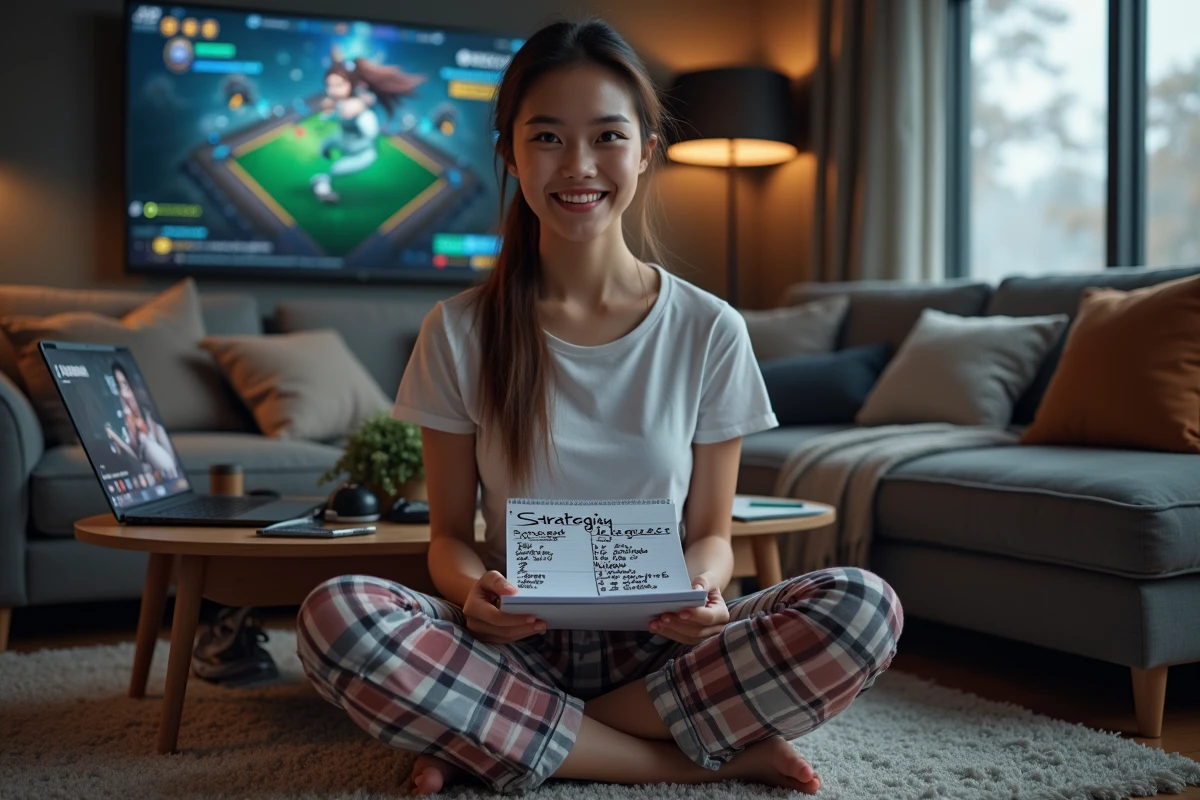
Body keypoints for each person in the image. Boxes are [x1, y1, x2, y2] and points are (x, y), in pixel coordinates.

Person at [296, 18, 903, 797]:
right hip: (515, 642)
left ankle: (494, 735)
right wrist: (473, 593)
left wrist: (704, 591)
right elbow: (448, 539)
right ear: (511, 153)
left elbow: (713, 534)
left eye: (606, 136)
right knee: (336, 613)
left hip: (660, 648)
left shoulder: (709, 327)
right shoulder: (457, 330)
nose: (577, 165)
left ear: (646, 151)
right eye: (546, 136)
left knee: (863, 606)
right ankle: (672, 760)